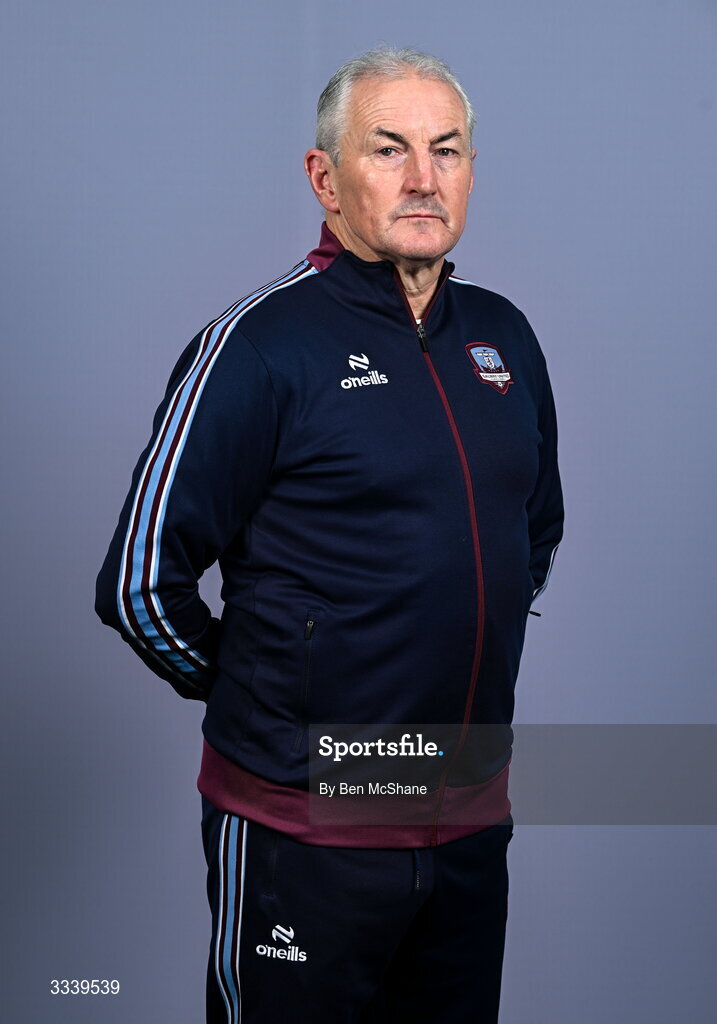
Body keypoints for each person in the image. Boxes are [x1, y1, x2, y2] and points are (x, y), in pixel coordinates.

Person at [95, 46, 563, 1024]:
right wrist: (266, 696)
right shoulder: (261, 346)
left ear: (471, 170)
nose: (424, 177)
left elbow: (533, 530)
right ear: (325, 176)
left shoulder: (504, 338)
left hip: (468, 827)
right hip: (304, 832)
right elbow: (139, 583)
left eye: (446, 150)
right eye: (389, 149)